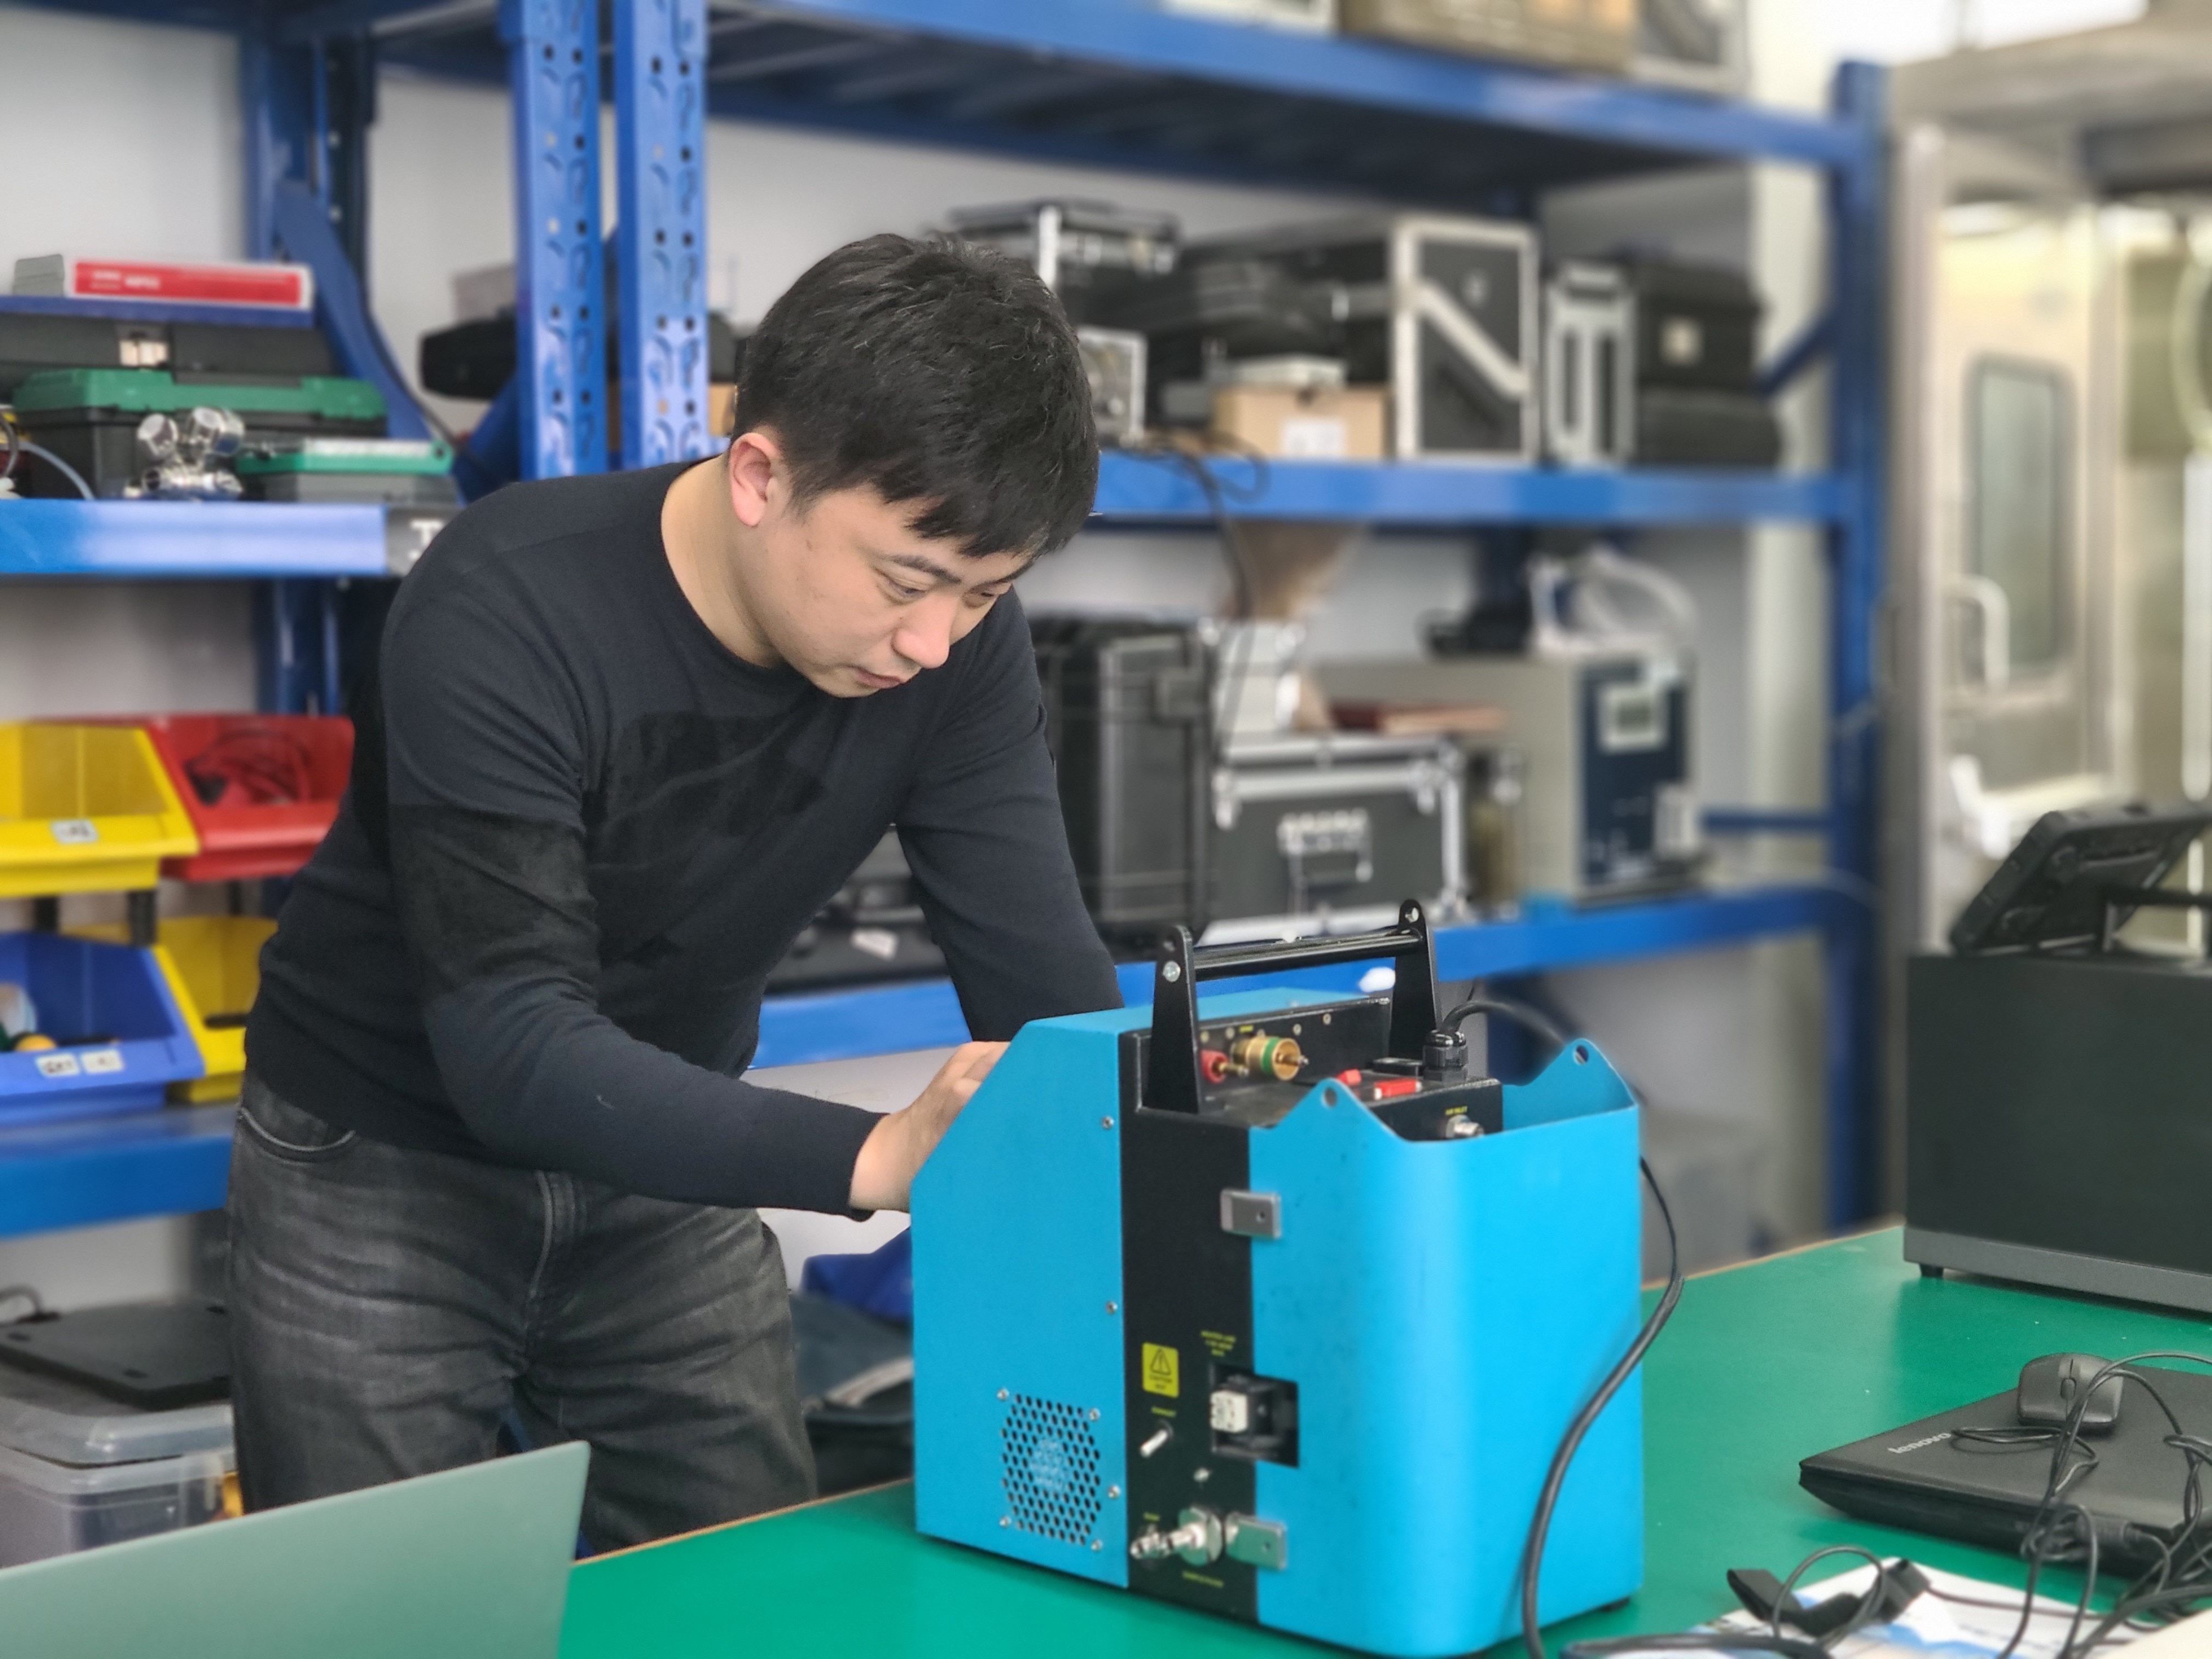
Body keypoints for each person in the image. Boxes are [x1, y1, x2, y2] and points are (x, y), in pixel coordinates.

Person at [228, 233, 1123, 1548]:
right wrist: (880, 1156)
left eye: (987, 595)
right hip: (380, 1171)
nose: (934, 642)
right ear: (759, 474)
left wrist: (1159, 1145)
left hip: (666, 1169)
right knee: (385, 1612)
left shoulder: (957, 654)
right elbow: (514, 1049)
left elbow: (1044, 978)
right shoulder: (506, 604)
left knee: (740, 1591)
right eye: (907, 580)